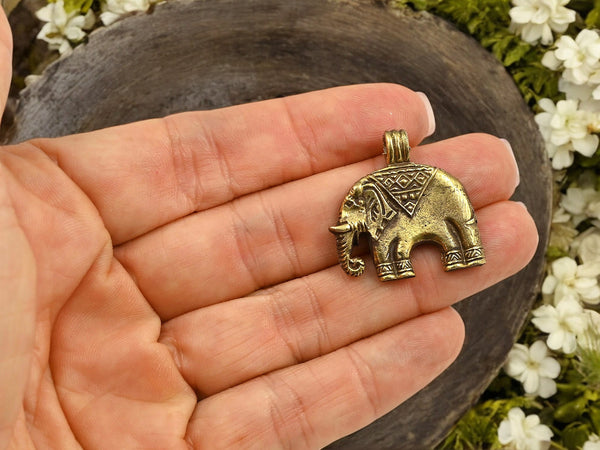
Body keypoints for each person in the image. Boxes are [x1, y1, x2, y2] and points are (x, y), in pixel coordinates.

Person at [0, 10, 537, 449]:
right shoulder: (374, 203)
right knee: (413, 245)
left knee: (455, 228)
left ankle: (461, 249)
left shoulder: (402, 196)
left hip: (427, 201)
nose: (353, 228)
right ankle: (443, 252)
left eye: (358, 217)